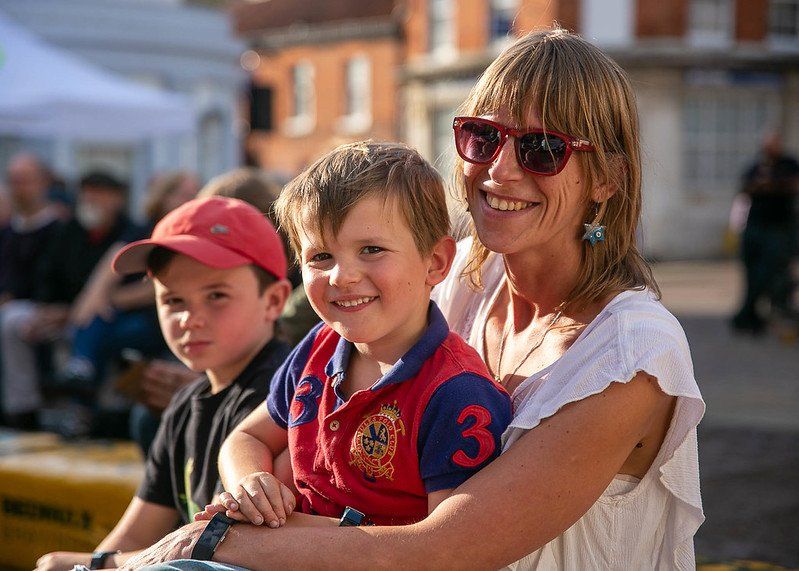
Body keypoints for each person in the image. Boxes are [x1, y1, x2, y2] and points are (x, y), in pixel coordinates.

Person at [122, 28, 704, 571]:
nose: (499, 170)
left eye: (543, 149)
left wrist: (218, 539)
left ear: (607, 178)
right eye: (483, 136)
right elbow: (277, 417)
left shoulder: (632, 352)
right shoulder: (460, 284)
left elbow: (447, 545)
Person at [199, 142, 511, 529]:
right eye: (320, 257)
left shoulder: (456, 393)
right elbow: (246, 439)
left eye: (371, 249)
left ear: (435, 262)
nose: (341, 277)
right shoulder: (318, 346)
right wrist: (251, 483)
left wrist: (284, 530)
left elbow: (443, 546)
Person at [34, 196, 292, 570]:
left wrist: (100, 565)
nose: (189, 319)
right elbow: (134, 535)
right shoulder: (186, 402)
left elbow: (223, 548)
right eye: (173, 300)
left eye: (216, 296)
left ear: (274, 301)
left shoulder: (281, 396)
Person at [0, 170, 138, 432]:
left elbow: (121, 289)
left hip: (107, 315)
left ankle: (85, 404)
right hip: (63, 313)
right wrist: (49, 309)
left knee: (98, 320)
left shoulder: (130, 231)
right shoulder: (69, 231)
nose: (91, 200)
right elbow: (48, 275)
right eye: (87, 193)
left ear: (117, 199)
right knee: (13, 322)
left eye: (99, 193)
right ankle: (22, 409)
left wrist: (80, 308)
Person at [0, 153, 62, 428]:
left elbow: (51, 281)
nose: (19, 188)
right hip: (15, 306)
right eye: (14, 181)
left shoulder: (59, 228)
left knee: (12, 321)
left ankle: (22, 410)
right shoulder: (9, 230)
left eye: (25, 181)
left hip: (45, 309)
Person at [731, 132, 799, 334]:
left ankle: (770, 313)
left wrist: (772, 185)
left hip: (779, 230)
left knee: (772, 274)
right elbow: (746, 186)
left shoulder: (789, 165)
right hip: (755, 229)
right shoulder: (757, 166)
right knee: (752, 275)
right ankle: (749, 316)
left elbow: (793, 185)